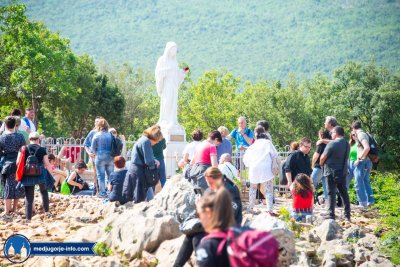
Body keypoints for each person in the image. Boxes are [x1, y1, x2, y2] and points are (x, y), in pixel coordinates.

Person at [173, 167, 241, 267]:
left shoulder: (230, 190)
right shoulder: (211, 189)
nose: (208, 185)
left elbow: (229, 214)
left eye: (210, 182)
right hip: (214, 224)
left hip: (228, 226)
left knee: (197, 236)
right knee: (191, 234)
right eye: (207, 182)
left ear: (217, 179)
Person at [243, 126, 278, 216]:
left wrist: (251, 165)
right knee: (268, 190)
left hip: (254, 168)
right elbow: (275, 154)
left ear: (255, 136)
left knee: (253, 188)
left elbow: (245, 160)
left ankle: (251, 207)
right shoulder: (268, 143)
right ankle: (269, 209)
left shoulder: (252, 146)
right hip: (266, 168)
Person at [122, 125, 161, 204]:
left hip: (134, 169)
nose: (157, 143)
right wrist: (155, 166)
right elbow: (149, 161)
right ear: (154, 137)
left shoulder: (142, 139)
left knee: (135, 195)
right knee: (139, 197)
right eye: (157, 141)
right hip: (139, 171)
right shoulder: (146, 142)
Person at [195, 188, 234, 267]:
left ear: (208, 213)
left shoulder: (208, 246)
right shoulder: (238, 237)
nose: (199, 219)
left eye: (199, 215)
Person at [19, 132, 53, 222]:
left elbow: (18, 162)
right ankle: (47, 212)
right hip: (40, 172)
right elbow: (47, 164)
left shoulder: (24, 148)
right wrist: (50, 174)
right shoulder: (42, 149)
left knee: (29, 196)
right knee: (44, 192)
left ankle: (28, 218)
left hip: (27, 173)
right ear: (38, 139)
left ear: (29, 139)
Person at [320, 126, 351, 221]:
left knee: (331, 192)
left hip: (331, 171)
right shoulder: (347, 144)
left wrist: (321, 165)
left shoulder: (332, 143)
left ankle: (331, 214)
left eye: (332, 132)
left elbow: (322, 158)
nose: (331, 134)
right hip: (342, 171)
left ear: (336, 133)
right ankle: (347, 215)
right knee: (343, 192)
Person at [155, 41, 189, 127]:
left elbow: (176, 74)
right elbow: (158, 72)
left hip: (173, 85)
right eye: (172, 49)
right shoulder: (162, 59)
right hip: (167, 84)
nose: (174, 51)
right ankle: (165, 120)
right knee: (167, 102)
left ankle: (172, 120)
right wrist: (167, 70)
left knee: (173, 103)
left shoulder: (175, 62)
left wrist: (183, 72)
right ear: (168, 50)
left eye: (175, 50)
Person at [0, 116, 26, 215]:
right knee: (17, 185)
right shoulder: (20, 136)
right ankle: (14, 209)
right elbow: (23, 150)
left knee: (7, 186)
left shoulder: (2, 137)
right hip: (18, 163)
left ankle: (7, 210)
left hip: (7, 164)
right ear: (15, 125)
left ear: (5, 125)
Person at [351, 121, 374, 208]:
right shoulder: (364, 134)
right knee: (365, 181)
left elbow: (367, 148)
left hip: (362, 162)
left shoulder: (361, 135)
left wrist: (359, 159)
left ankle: (362, 203)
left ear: (353, 128)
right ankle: (370, 202)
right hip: (367, 162)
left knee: (358, 182)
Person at [91, 118, 114, 197]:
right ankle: (110, 192)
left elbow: (93, 150)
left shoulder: (96, 135)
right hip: (110, 157)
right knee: (110, 175)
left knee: (101, 176)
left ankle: (102, 193)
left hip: (100, 157)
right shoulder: (111, 135)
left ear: (99, 126)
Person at [84, 116, 103, 193]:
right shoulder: (92, 132)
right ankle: (95, 189)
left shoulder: (104, 132)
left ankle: (102, 189)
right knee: (96, 172)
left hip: (103, 156)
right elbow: (85, 144)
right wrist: (89, 153)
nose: (96, 123)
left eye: (98, 121)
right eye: (95, 122)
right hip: (94, 156)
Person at [310, 129, 331, 203]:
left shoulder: (321, 143)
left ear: (321, 135)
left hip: (319, 166)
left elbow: (316, 155)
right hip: (327, 167)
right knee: (326, 187)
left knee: (311, 183)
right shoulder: (330, 144)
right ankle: (328, 203)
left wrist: (312, 164)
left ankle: (309, 201)